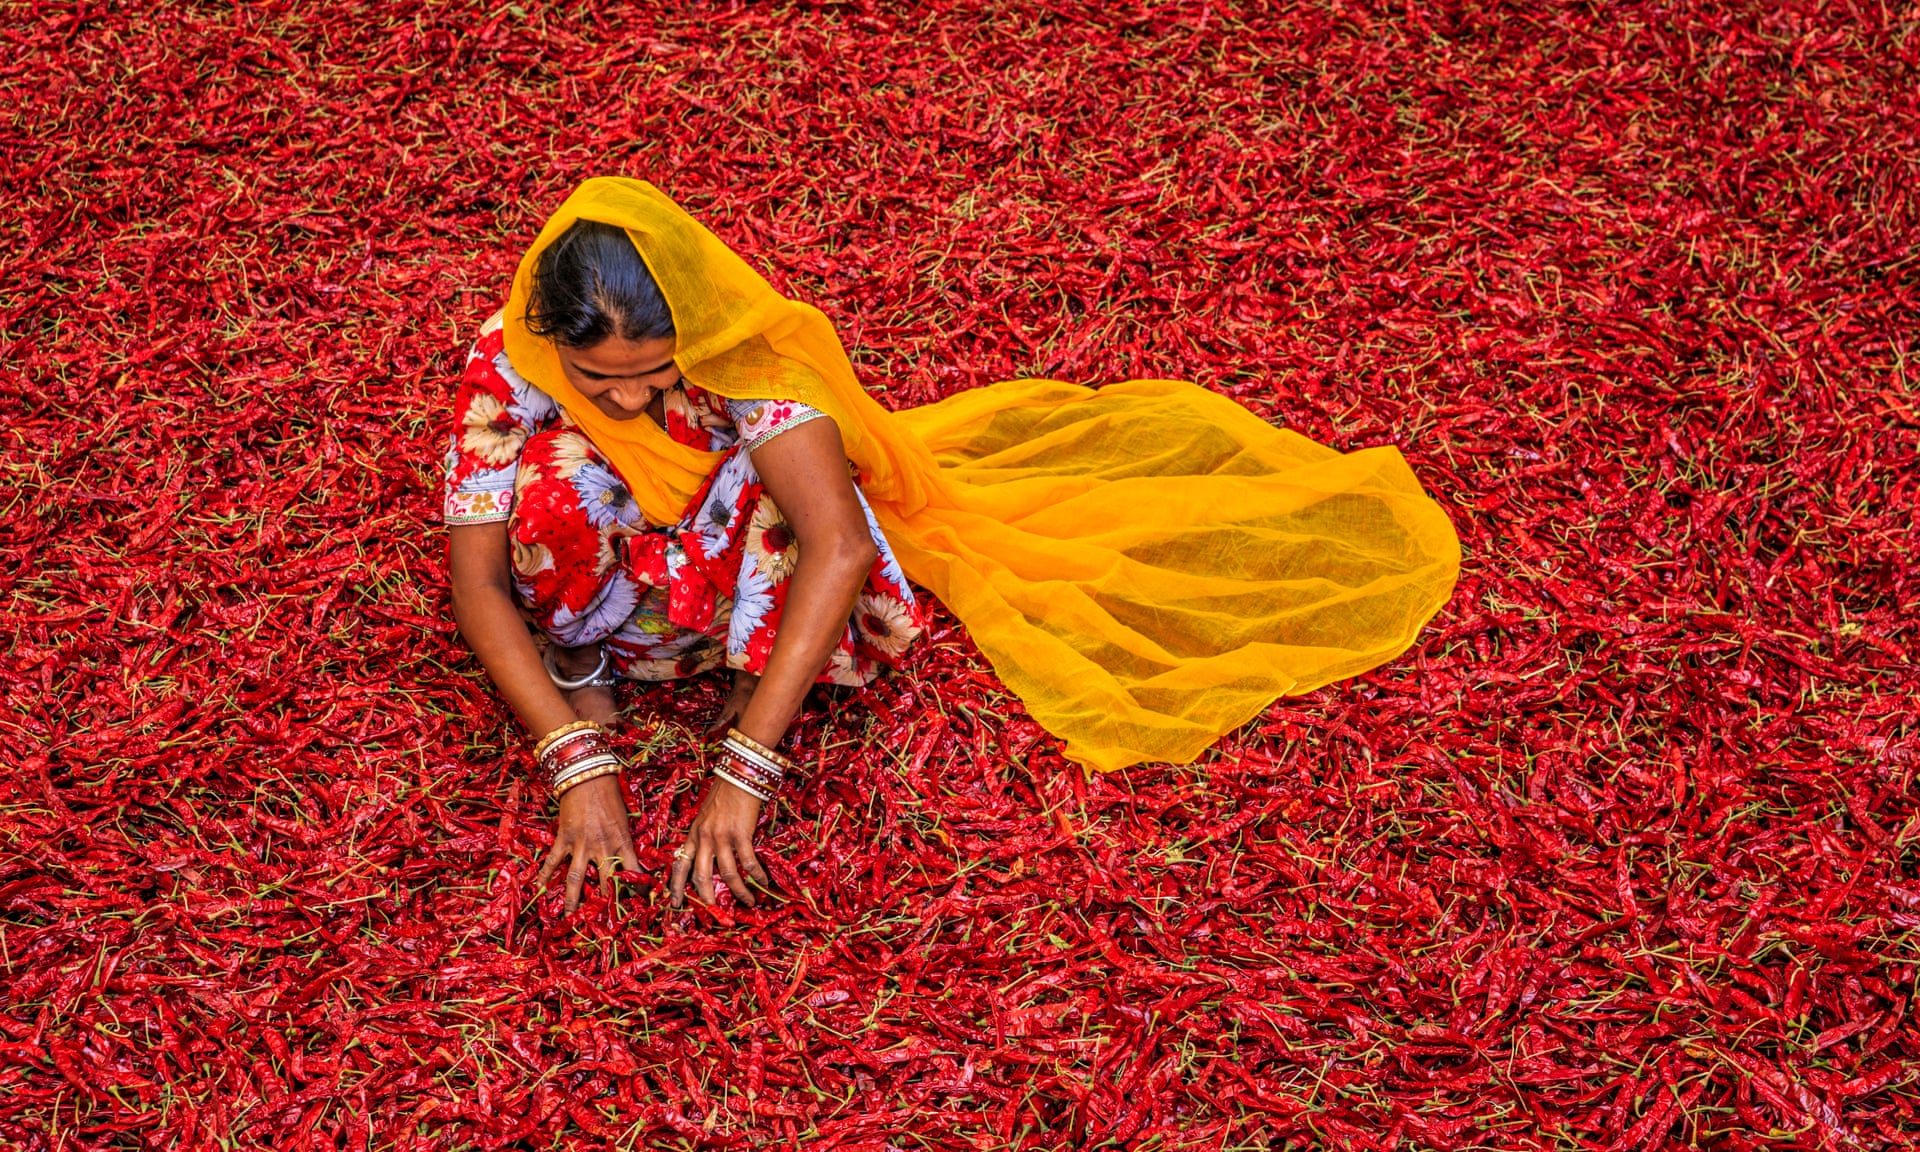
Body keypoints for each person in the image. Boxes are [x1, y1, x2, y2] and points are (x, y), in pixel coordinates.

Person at [444, 177, 1462, 916]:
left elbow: (837, 548)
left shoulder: (742, 348)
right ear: (548, 334)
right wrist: (574, 759)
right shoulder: (510, 352)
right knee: (554, 475)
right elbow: (480, 578)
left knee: (777, 494)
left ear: (694, 333)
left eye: (654, 373)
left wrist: (744, 766)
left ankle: (725, 676)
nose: (627, 397)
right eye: (596, 375)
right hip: (626, 587)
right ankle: (592, 672)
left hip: (737, 563)